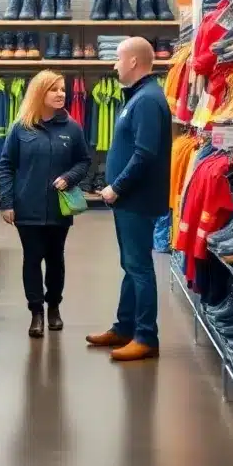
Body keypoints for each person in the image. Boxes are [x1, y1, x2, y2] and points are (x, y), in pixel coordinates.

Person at [87, 37, 172, 361]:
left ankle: (146, 337)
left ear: (134, 62)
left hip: (136, 198)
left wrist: (117, 186)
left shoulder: (147, 100)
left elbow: (145, 153)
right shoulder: (140, 97)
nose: (114, 64)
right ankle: (124, 327)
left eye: (119, 59)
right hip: (131, 200)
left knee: (139, 267)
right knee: (131, 265)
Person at [0, 71, 91, 338]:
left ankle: (54, 308)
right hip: (26, 208)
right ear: (40, 93)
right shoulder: (21, 127)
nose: (61, 94)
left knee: (55, 259)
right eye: (54, 89)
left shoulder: (72, 128)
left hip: (59, 208)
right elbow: (6, 165)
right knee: (32, 259)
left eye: (63, 89)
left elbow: (84, 162)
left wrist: (69, 177)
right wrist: (7, 202)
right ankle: (36, 312)